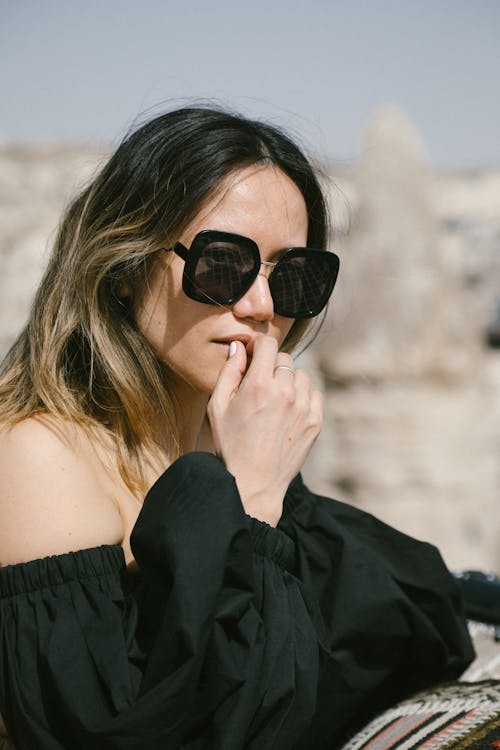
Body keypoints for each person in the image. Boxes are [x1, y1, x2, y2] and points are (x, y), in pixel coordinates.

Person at [0, 106, 473, 750]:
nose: (261, 306)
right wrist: (249, 501)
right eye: (222, 265)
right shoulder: (41, 460)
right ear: (124, 262)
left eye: (295, 275)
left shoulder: (219, 434)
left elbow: (374, 605)